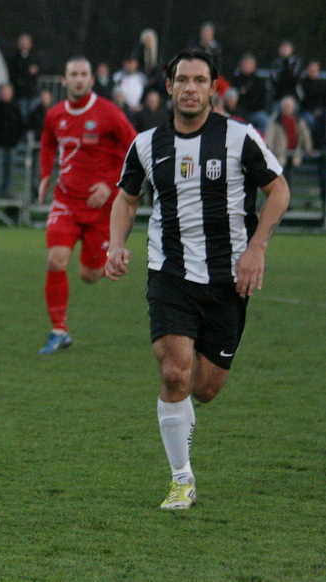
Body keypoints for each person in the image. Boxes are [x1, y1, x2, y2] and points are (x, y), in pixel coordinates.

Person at [105, 49, 289, 510]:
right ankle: (181, 478)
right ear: (169, 87)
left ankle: (184, 441)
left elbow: (279, 190)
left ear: (213, 88)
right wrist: (115, 245)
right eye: (182, 80)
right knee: (173, 371)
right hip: (169, 272)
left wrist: (257, 248)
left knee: (204, 388)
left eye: (200, 80)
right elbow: (126, 199)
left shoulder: (240, 138)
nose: (190, 88)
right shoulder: (146, 144)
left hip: (229, 279)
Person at [37, 56, 136, 354]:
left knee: (89, 275)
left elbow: (135, 148)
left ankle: (109, 261)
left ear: (91, 79)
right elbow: (47, 143)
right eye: (73, 74)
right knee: (56, 260)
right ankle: (59, 331)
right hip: (66, 201)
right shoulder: (55, 115)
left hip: (101, 210)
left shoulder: (110, 113)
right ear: (64, 80)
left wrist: (111, 184)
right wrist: (45, 175)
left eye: (83, 74)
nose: (78, 79)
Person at [0, 83, 25, 197]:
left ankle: (7, 191)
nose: (5, 94)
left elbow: (20, 125)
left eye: (7, 92)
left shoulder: (16, 108)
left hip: (11, 145)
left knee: (10, 169)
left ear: (11, 94)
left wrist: (16, 139)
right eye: (4, 92)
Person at [264, 95, 314, 175]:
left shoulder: (299, 120)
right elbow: (270, 135)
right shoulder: (276, 120)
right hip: (280, 153)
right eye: (285, 107)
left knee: (291, 174)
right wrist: (269, 148)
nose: (286, 109)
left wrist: (308, 147)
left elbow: (305, 134)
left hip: (294, 153)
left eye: (289, 107)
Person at [229, 52, 269, 131]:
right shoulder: (236, 80)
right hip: (239, 112)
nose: (247, 66)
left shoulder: (258, 80)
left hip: (255, 111)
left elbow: (260, 97)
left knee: (265, 121)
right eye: (245, 63)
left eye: (249, 64)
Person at [8, 32, 41, 104]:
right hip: (19, 92)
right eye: (22, 41)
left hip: (32, 91)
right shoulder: (14, 57)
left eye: (26, 42)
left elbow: (39, 69)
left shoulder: (35, 56)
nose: (24, 44)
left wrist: (36, 70)